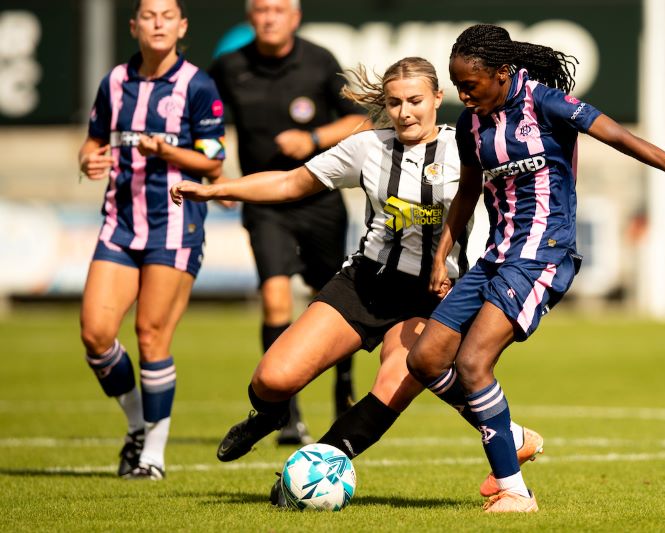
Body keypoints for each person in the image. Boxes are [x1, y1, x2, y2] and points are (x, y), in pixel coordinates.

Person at [405, 24, 665, 513]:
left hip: (543, 254)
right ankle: (513, 435)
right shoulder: (471, 124)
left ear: (502, 73)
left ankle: (514, 492)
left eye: (470, 86)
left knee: (472, 363)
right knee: (423, 360)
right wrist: (442, 255)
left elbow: (625, 139)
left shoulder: (547, 104)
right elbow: (467, 191)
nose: (463, 95)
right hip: (494, 257)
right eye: (458, 86)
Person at [171, 56, 543, 502]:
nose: (405, 112)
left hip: (433, 295)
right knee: (272, 379)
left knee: (392, 383)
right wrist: (217, 188)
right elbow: (291, 183)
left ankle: (307, 476)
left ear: (438, 99)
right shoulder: (368, 147)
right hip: (365, 284)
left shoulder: (470, 146)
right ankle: (268, 416)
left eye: (415, 101)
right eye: (395, 102)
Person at [207, 0, 371, 444]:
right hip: (265, 203)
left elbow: (360, 118)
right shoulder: (228, 66)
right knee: (276, 301)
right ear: (249, 17)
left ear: (295, 17)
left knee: (333, 302)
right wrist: (214, 170)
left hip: (319, 199)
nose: (269, 17)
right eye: (261, 9)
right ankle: (286, 413)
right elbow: (207, 125)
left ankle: (344, 389)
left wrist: (313, 138)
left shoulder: (319, 61)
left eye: (278, 9)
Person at [78, 0, 226, 480]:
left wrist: (167, 150)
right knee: (96, 337)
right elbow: (94, 139)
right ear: (134, 25)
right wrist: (88, 160)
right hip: (120, 225)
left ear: (182, 26)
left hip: (174, 226)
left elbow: (214, 162)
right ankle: (138, 422)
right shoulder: (115, 82)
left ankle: (152, 456)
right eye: (149, 15)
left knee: (151, 335)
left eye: (168, 15)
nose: (158, 23)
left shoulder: (197, 86)